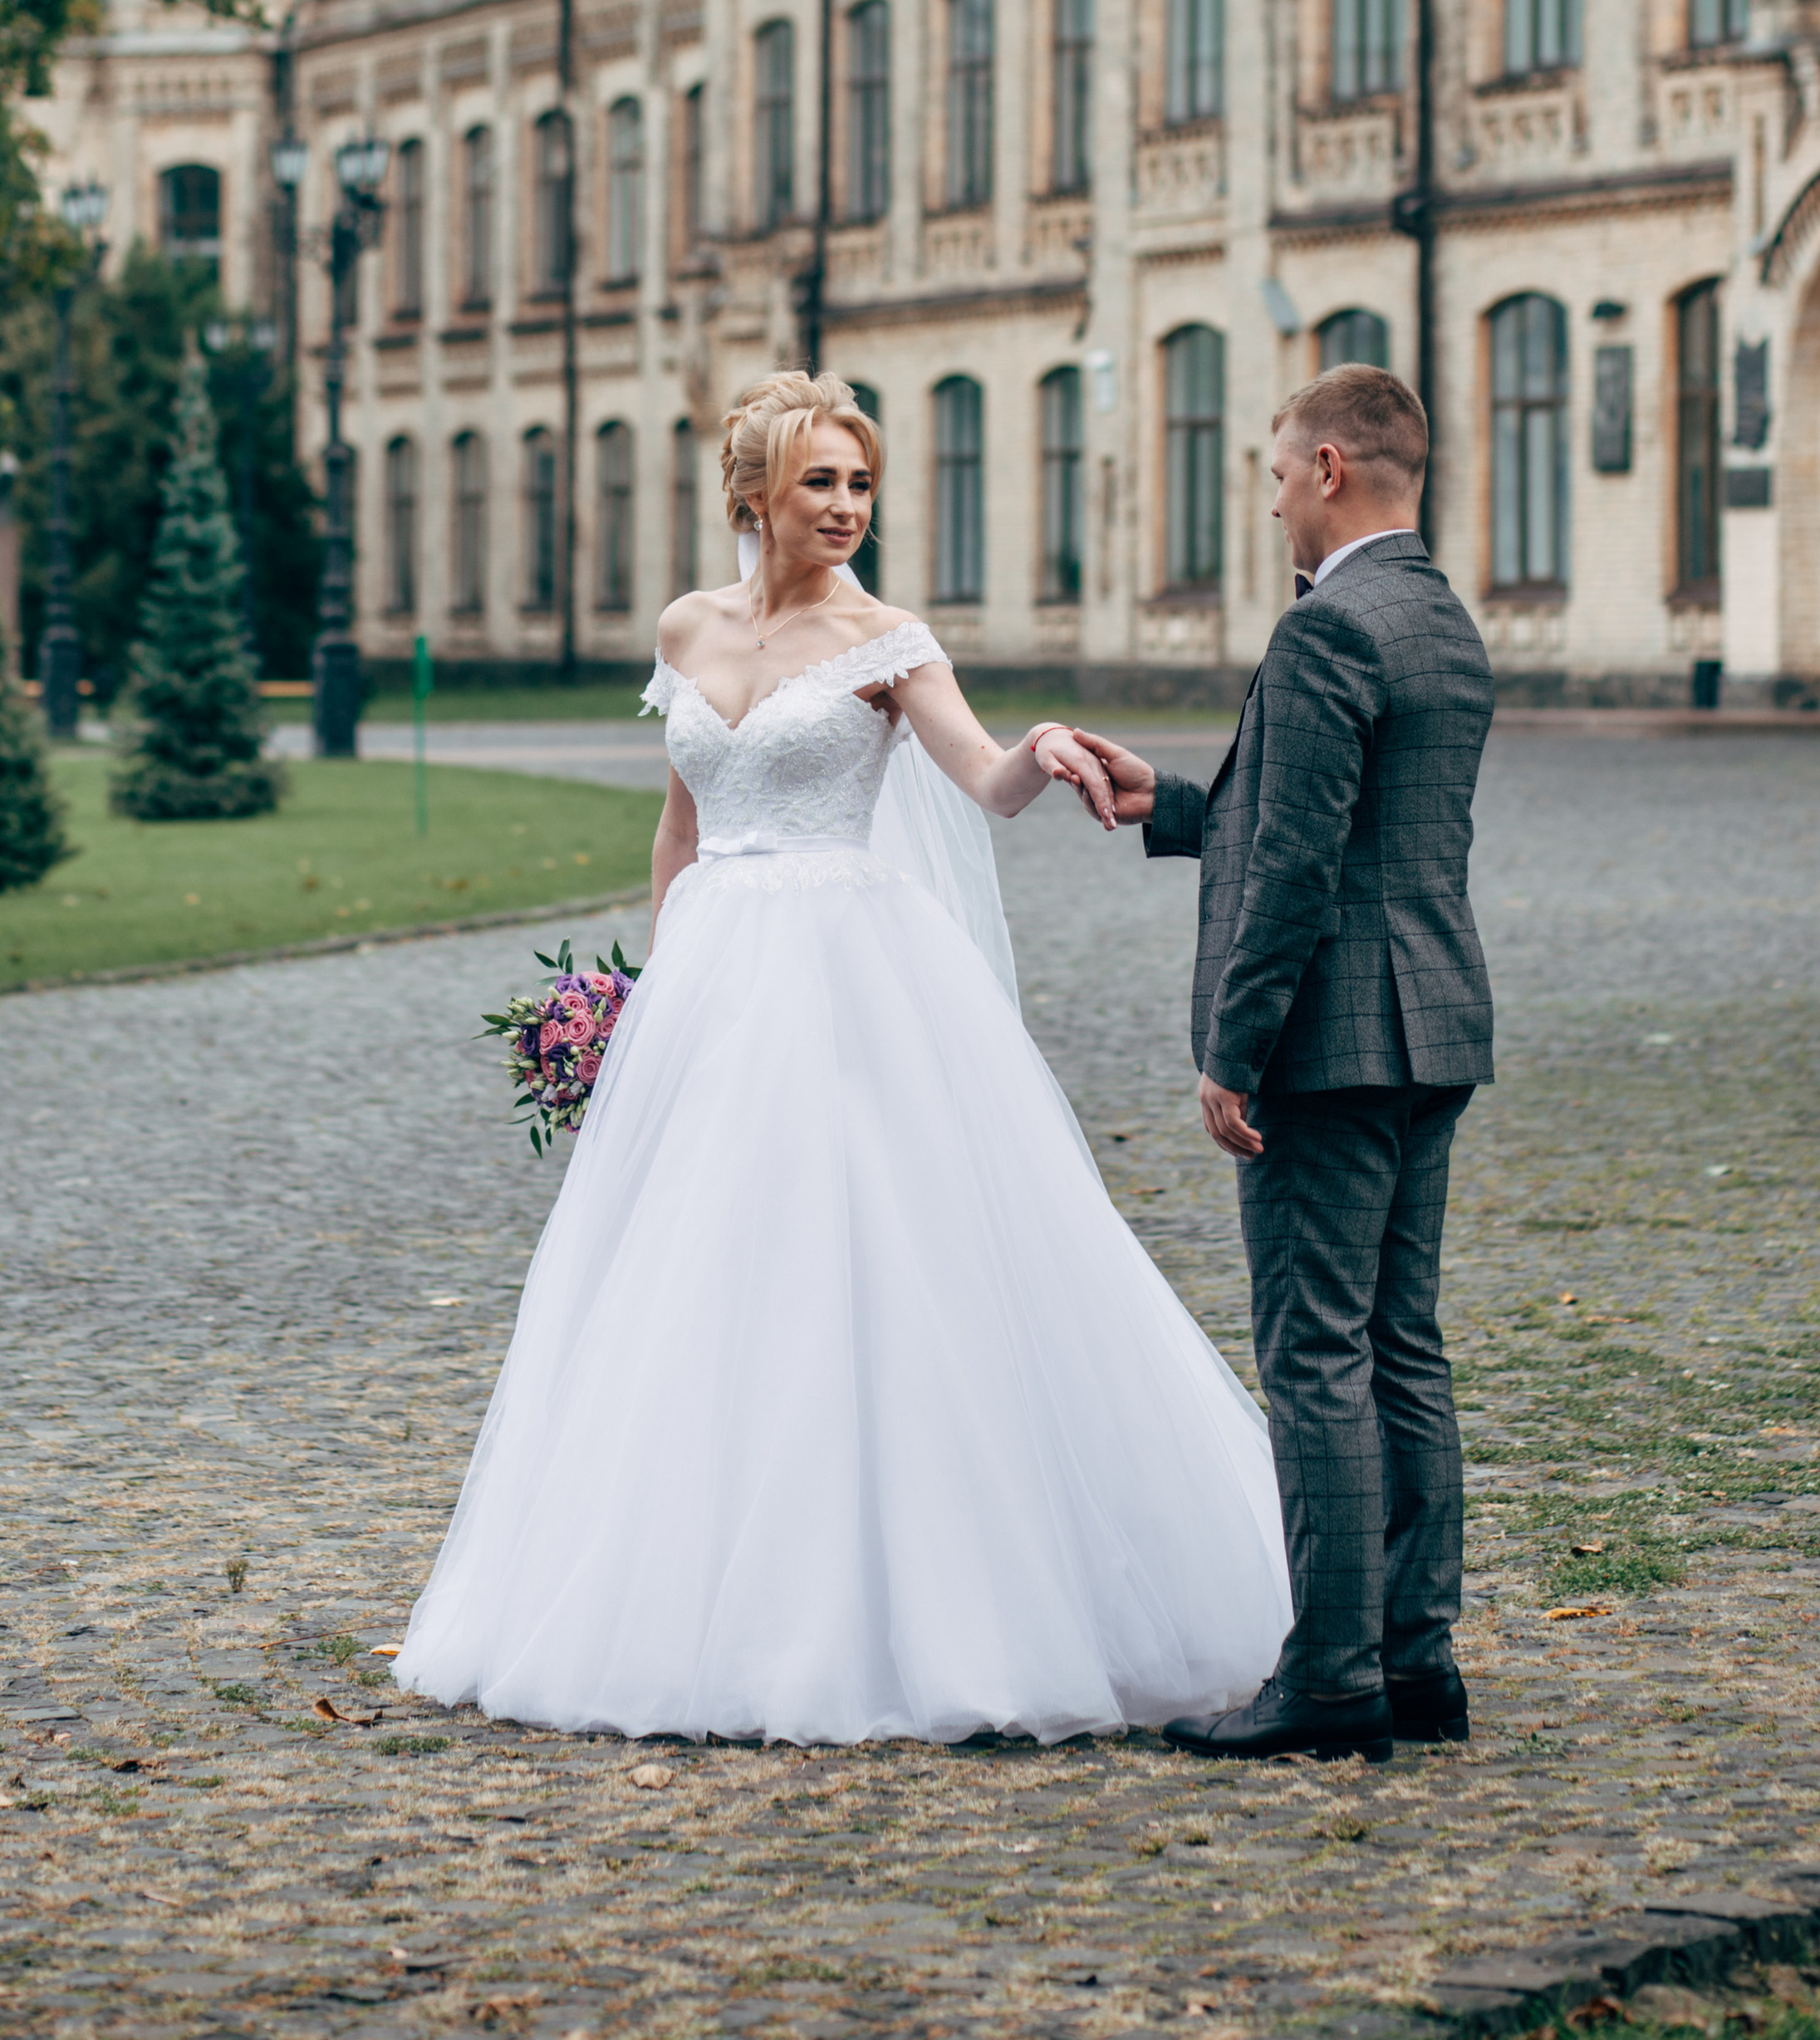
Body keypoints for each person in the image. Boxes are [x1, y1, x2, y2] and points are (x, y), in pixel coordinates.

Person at [395, 370, 1291, 1747]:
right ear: (755, 491)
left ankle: (905, 1605)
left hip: (848, 971)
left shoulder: (889, 641)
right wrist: (652, 991)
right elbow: (680, 831)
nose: (848, 507)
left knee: (863, 1254)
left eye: (862, 484)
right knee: (696, 1273)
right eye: (823, 482)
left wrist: (1039, 755)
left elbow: (976, 780)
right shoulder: (689, 626)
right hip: (716, 976)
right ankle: (675, 1592)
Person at [1072, 365, 1494, 1766]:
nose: (1267, 503)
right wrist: (1176, 804)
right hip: (1431, 1026)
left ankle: (1328, 1676)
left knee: (1316, 1353)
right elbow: (1347, 827)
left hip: (1326, 1045)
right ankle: (1415, 1657)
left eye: (1270, 476)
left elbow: (1306, 871)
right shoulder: (1439, 617)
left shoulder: (1325, 635)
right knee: (1401, 1345)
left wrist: (1230, 1051)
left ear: (1326, 467)